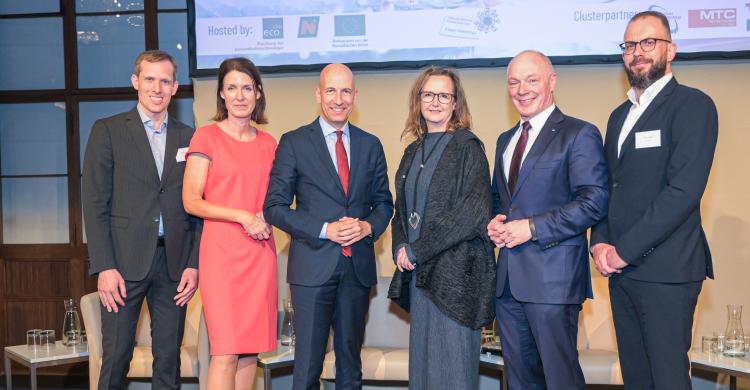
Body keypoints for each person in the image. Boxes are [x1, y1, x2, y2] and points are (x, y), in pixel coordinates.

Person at [590, 11, 718, 389]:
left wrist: (623, 250)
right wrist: (599, 241)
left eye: (649, 42)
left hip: (668, 273)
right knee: (637, 380)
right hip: (622, 273)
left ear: (671, 50)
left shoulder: (693, 106)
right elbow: (610, 188)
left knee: (667, 380)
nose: (637, 52)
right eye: (630, 45)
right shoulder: (618, 117)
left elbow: (683, 192)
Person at [264, 63, 393, 390]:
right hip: (312, 270)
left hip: (356, 270)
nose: (339, 98)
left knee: (350, 365)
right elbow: (274, 208)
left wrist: (367, 227)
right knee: (306, 367)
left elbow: (384, 204)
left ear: (355, 96)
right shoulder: (294, 142)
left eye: (346, 91)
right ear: (318, 94)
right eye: (331, 90)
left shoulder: (370, 144)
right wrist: (325, 229)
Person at [486, 50, 608, 390]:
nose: (521, 89)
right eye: (514, 82)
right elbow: (501, 201)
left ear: (552, 82)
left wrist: (532, 228)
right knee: (520, 381)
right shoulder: (505, 141)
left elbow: (593, 201)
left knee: (560, 380)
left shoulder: (578, 133)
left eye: (531, 79)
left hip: (554, 283)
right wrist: (494, 223)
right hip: (508, 284)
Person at [82, 50, 201, 390]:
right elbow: (94, 203)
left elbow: (198, 208)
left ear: (176, 87)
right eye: (150, 79)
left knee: (168, 361)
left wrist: (193, 264)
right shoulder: (108, 131)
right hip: (122, 263)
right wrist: (104, 266)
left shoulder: (190, 137)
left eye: (165, 81)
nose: (157, 88)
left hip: (174, 264)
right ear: (136, 82)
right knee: (117, 357)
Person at [386, 67, 496, 390]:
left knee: (452, 377)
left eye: (443, 95)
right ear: (418, 100)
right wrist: (399, 247)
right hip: (422, 281)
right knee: (423, 375)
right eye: (428, 94)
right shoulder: (412, 151)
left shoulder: (468, 147)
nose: (435, 102)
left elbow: (472, 213)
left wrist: (417, 250)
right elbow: (400, 212)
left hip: (456, 282)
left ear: (455, 102)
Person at [182, 57, 278, 389]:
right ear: (222, 94)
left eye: (247, 88)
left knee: (250, 352)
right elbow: (191, 201)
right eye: (232, 88)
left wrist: (266, 214)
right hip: (222, 256)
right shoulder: (206, 137)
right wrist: (242, 216)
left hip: (260, 254)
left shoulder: (269, 143)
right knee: (225, 352)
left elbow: (276, 198)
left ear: (258, 93)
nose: (240, 95)